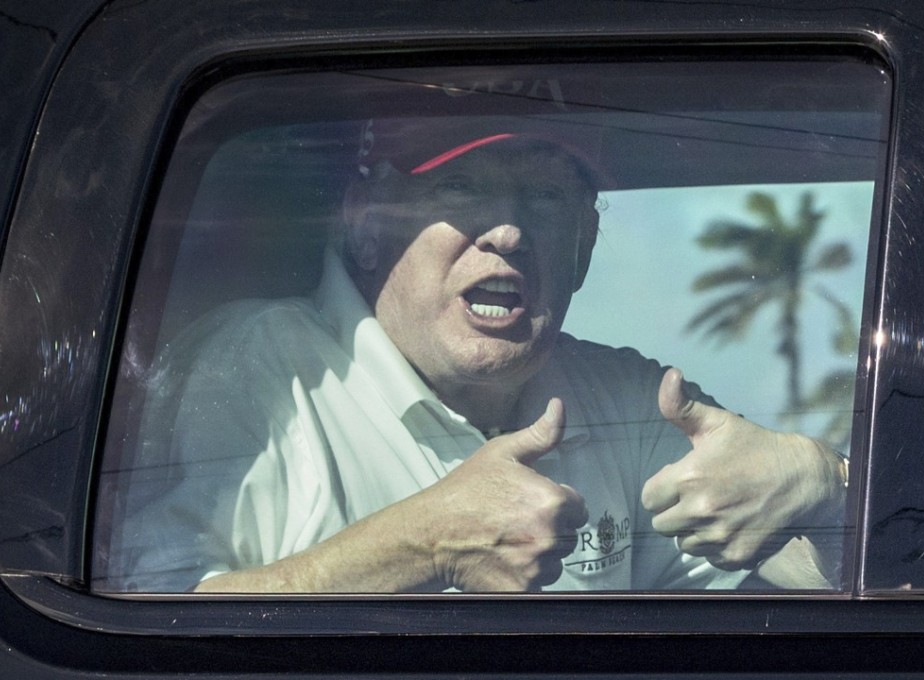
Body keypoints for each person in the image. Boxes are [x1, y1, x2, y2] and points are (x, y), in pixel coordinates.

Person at [103, 119, 848, 593]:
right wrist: (427, 543)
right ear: (366, 226)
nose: (510, 232)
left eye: (546, 199)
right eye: (461, 189)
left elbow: (811, 591)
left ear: (584, 249)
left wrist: (820, 484)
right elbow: (142, 623)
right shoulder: (254, 374)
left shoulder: (632, 400)